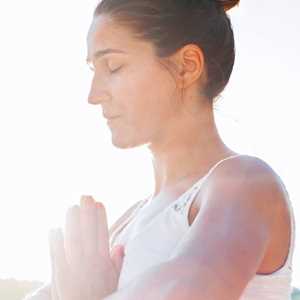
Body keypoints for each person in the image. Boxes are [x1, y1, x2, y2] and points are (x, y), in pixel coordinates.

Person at [24, 0, 295, 299]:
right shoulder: (127, 222)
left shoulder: (246, 185)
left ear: (186, 66)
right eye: (93, 70)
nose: (93, 94)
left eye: (113, 67)